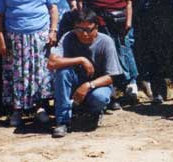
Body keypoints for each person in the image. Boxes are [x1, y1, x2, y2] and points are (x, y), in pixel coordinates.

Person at [0, 0, 59, 126]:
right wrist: (0, 39)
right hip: (15, 38)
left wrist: (53, 31)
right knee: (17, 75)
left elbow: (53, 8)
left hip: (40, 36)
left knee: (40, 73)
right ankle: (17, 112)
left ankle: (41, 108)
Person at [48, 8, 122, 138]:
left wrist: (88, 85)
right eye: (79, 29)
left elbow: (112, 76)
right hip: (74, 81)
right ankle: (62, 121)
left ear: (96, 28)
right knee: (62, 72)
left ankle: (93, 113)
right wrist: (82, 60)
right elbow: (51, 63)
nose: (84, 34)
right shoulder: (69, 37)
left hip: (97, 85)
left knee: (100, 98)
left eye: (88, 30)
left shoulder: (106, 42)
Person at [77, 0, 136, 108]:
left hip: (119, 22)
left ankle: (123, 90)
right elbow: (80, 0)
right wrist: (85, 22)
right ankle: (108, 94)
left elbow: (128, 1)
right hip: (98, 24)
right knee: (102, 59)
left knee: (120, 56)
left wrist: (129, 21)